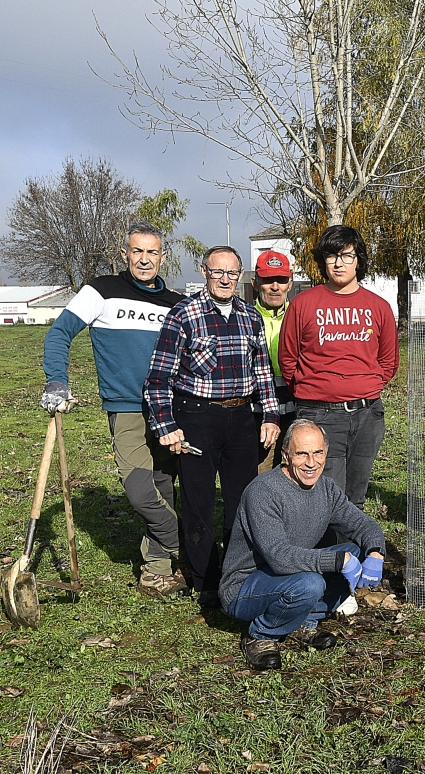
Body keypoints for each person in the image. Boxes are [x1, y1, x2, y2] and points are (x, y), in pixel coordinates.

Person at [40, 221, 187, 598]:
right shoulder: (102, 290)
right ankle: (188, 543)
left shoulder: (176, 303)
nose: (144, 259)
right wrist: (57, 379)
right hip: (128, 409)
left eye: (152, 252)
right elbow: (59, 334)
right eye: (137, 251)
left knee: (162, 486)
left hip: (171, 410)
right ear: (124, 254)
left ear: (162, 257)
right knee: (140, 491)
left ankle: (158, 570)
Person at [144, 245, 280, 607]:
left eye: (232, 273)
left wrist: (269, 415)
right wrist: (167, 426)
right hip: (196, 418)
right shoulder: (183, 315)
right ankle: (206, 582)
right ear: (204, 271)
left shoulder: (250, 317)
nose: (225, 279)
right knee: (198, 501)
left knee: (243, 501)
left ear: (241, 276)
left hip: (240, 420)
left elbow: (263, 372)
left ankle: (240, 575)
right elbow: (158, 378)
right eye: (217, 272)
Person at [220, 420, 386, 670]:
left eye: (318, 452)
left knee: (355, 550)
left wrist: (375, 553)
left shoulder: (327, 489)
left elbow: (363, 525)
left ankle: (304, 621)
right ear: (285, 455)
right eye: (302, 453)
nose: (311, 462)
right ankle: (261, 635)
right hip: (245, 587)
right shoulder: (264, 492)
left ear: (326, 453)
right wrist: (337, 561)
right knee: (311, 582)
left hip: (288, 576)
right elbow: (279, 557)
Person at [279, 225, 398, 508]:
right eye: (331, 256)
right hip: (320, 413)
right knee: (324, 495)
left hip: (367, 414)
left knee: (355, 496)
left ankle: (351, 552)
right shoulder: (303, 304)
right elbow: (288, 358)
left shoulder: (378, 306)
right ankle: (325, 553)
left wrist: (366, 386)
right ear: (323, 261)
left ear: (359, 260)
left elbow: (389, 361)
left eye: (346, 256)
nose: (338, 263)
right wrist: (315, 390)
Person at [252, 250, 296, 474]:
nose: (275, 286)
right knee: (260, 476)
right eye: (268, 280)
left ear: (290, 282)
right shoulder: (245, 317)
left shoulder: (301, 315)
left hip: (297, 410)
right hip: (258, 414)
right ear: (255, 282)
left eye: (281, 280)